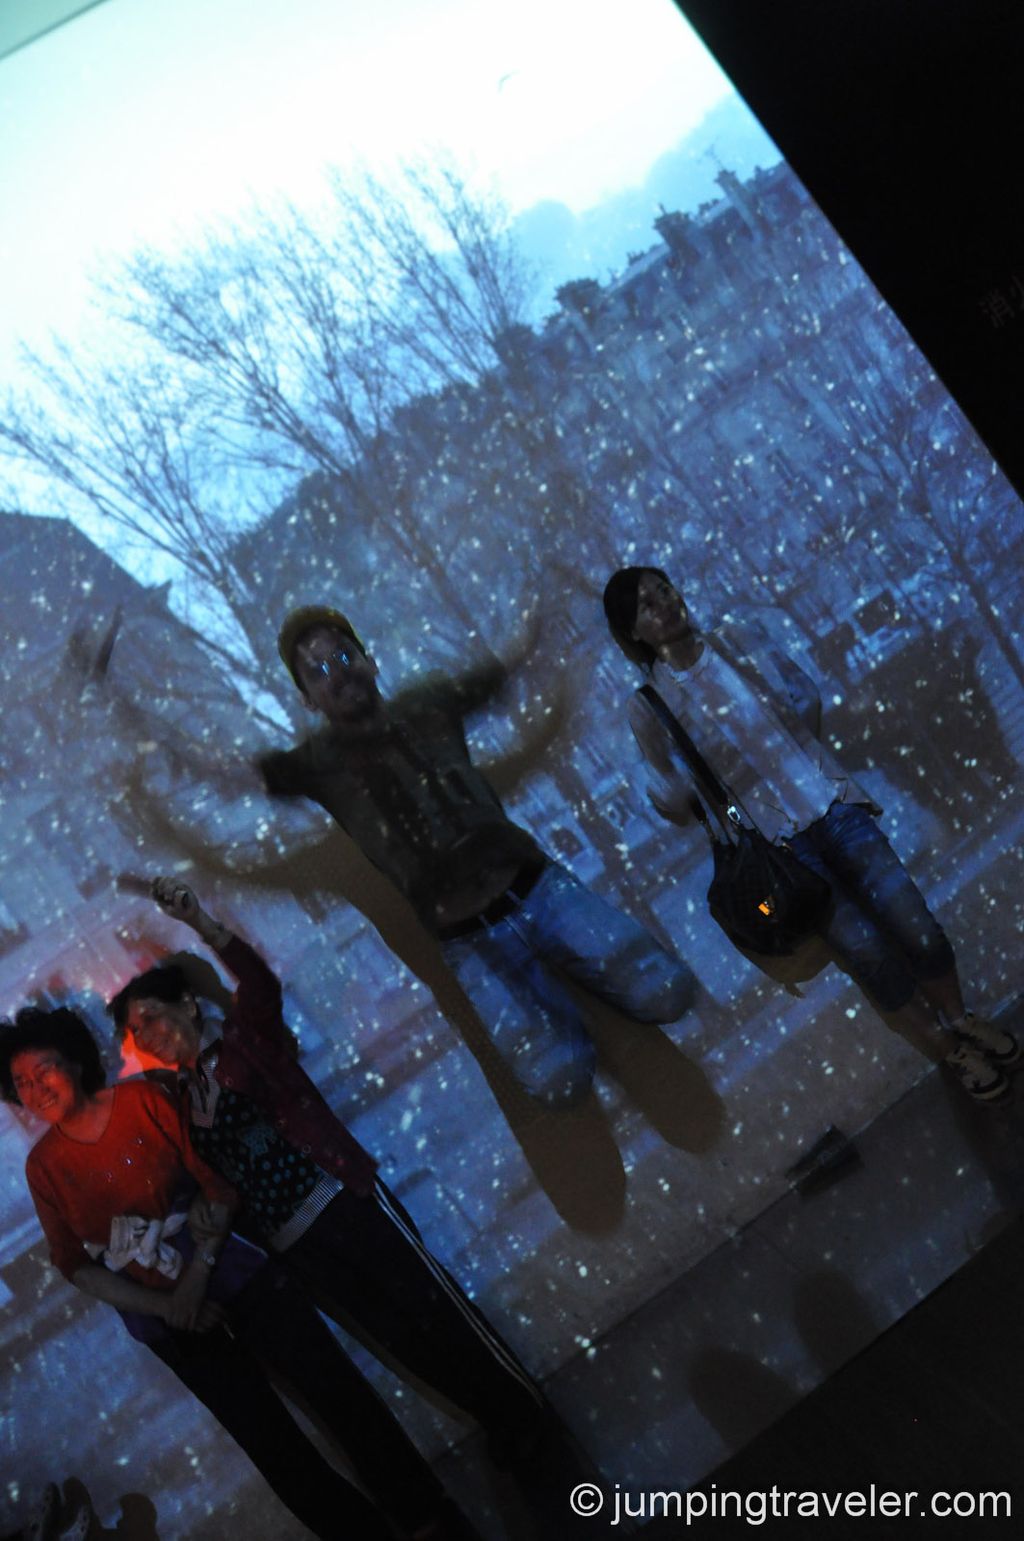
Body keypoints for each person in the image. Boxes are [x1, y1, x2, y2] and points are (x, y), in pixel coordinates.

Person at [108, 878, 591, 1538]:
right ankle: (502, 1423)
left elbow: (261, 985)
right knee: (401, 1338)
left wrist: (202, 923)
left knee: (438, 1311)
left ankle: (527, 1415)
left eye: (154, 1016)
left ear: (189, 1005)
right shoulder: (181, 1103)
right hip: (297, 1246)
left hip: (342, 1200)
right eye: (137, 1031)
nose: (150, 1034)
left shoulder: (244, 1041)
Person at [0, 1007, 461, 1541]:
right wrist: (168, 1307)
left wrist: (196, 1279)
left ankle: (427, 1516)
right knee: (271, 1444)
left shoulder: (144, 1099)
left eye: (44, 1070)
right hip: (166, 1322)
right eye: (21, 1083)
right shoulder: (43, 1167)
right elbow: (73, 1263)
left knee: (338, 1393)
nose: (36, 1089)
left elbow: (217, 1182)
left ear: (75, 1062)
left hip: (237, 1273)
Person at [601, 565, 1019, 1103]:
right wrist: (684, 781)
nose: (665, 604)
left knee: (917, 927)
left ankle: (960, 1018)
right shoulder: (649, 705)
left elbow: (804, 697)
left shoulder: (737, 640)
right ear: (633, 631)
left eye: (665, 590)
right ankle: (949, 1049)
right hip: (779, 848)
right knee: (868, 954)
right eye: (648, 605)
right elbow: (672, 797)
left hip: (832, 804)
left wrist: (790, 750)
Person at [256, 605, 696, 1109]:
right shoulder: (319, 765)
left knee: (665, 991)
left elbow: (498, 673)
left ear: (369, 660)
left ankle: (674, 1097)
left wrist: (537, 631)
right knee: (558, 1078)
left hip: (537, 888)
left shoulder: (427, 705)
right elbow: (244, 777)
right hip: (469, 941)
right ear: (308, 699)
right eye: (317, 671)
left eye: (342, 656)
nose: (337, 674)